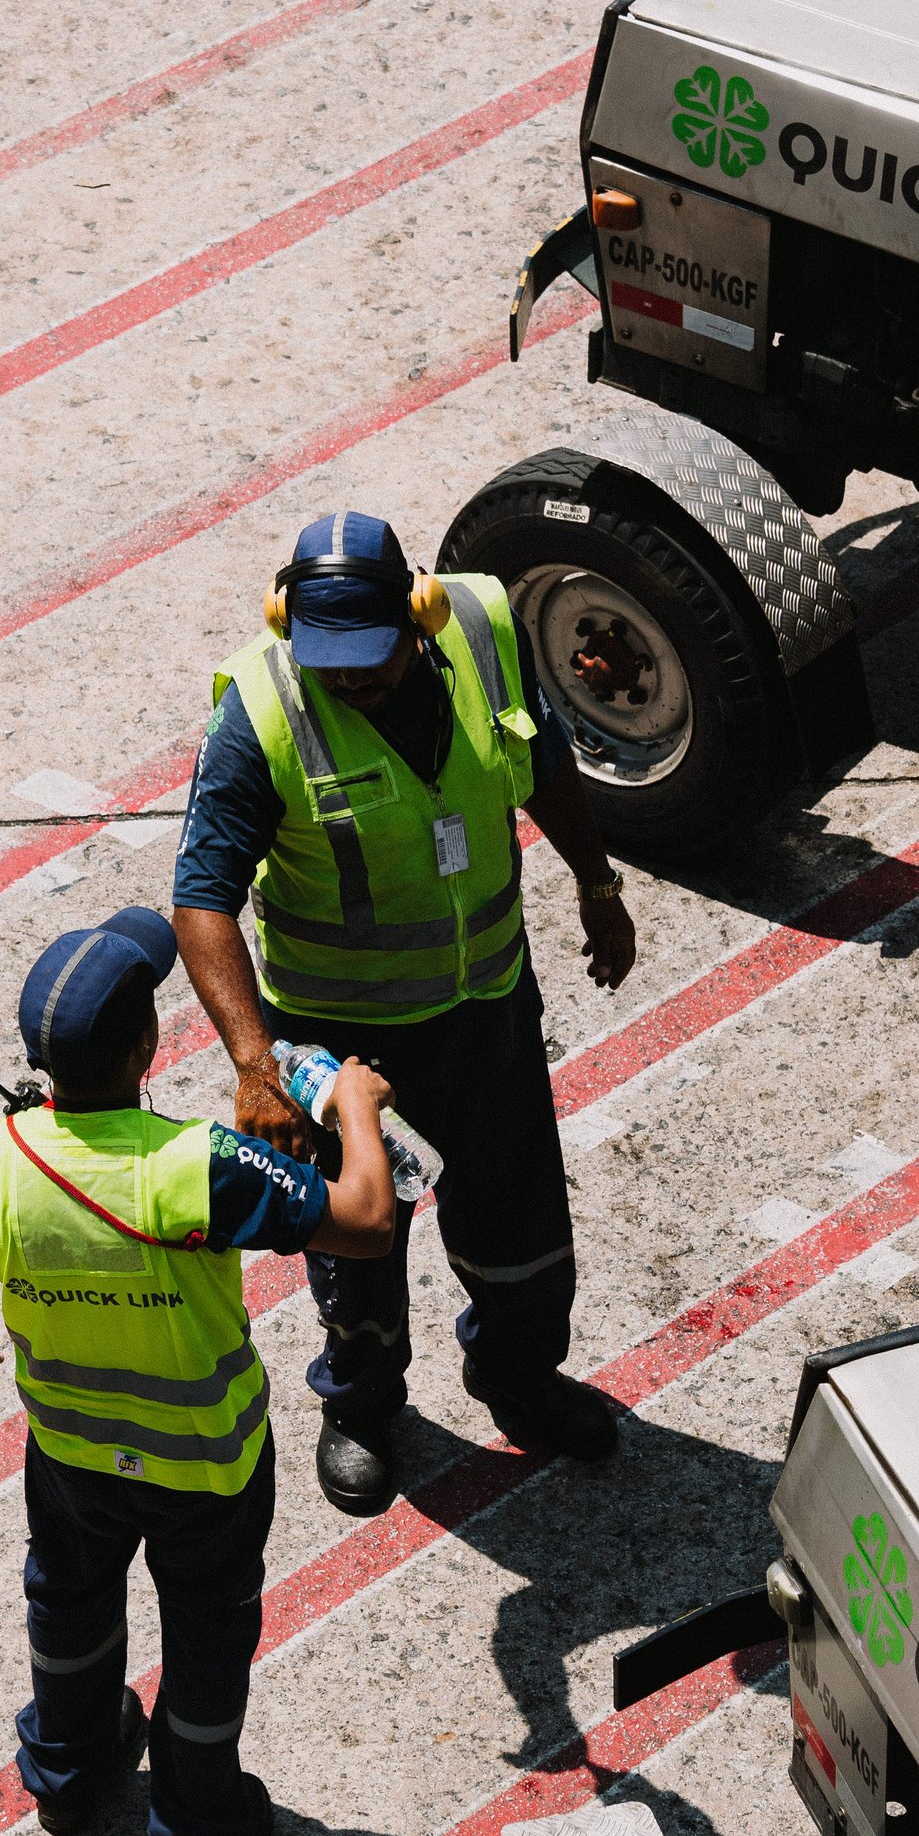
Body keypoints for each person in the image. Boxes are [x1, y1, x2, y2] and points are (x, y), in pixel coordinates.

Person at [0, 904, 394, 1836]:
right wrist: (354, 1107)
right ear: (146, 1047)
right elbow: (362, 1219)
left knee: (69, 1605)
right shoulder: (198, 1167)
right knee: (206, 1642)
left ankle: (70, 1769)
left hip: (73, 1453)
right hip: (204, 1470)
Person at [173, 510, 637, 1524]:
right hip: (342, 1047)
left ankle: (516, 1379)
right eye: (326, 660)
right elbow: (201, 898)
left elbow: (541, 755)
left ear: (418, 615)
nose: (348, 680)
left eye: (370, 661)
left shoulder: (480, 625)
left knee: (521, 1228)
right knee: (356, 1248)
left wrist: (596, 883)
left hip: (486, 1011)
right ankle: (363, 1409)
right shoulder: (260, 711)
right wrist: (257, 1064)